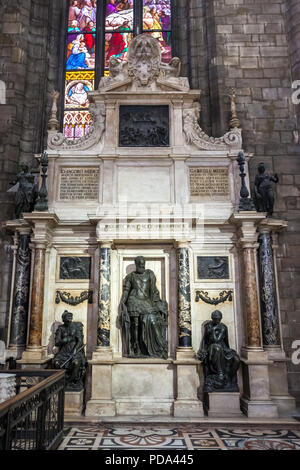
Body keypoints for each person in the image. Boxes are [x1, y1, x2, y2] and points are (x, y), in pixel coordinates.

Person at [119, 256, 168, 359]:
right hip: (134, 301)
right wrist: (122, 302)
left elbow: (154, 290)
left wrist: (158, 303)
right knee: (135, 324)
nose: (141, 266)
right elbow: (126, 291)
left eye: (143, 264)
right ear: (136, 264)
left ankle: (158, 347)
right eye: (139, 264)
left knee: (152, 320)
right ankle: (136, 346)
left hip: (146, 302)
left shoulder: (150, 274)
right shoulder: (130, 276)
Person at [197, 310, 240, 392]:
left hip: (223, 347)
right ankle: (220, 373)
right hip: (212, 347)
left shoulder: (223, 327)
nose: (217, 320)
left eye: (218, 319)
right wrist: (202, 349)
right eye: (215, 319)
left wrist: (213, 330)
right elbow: (205, 339)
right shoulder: (208, 326)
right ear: (212, 318)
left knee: (236, 359)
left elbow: (218, 340)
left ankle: (227, 377)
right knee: (216, 348)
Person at [53, 310, 87, 390]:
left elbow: (80, 341)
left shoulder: (76, 327)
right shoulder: (61, 329)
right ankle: (60, 381)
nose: (69, 319)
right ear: (63, 319)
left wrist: (75, 350)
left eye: (70, 318)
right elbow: (57, 343)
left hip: (75, 350)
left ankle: (70, 381)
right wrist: (63, 340)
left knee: (75, 363)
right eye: (67, 318)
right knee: (56, 362)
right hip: (64, 351)